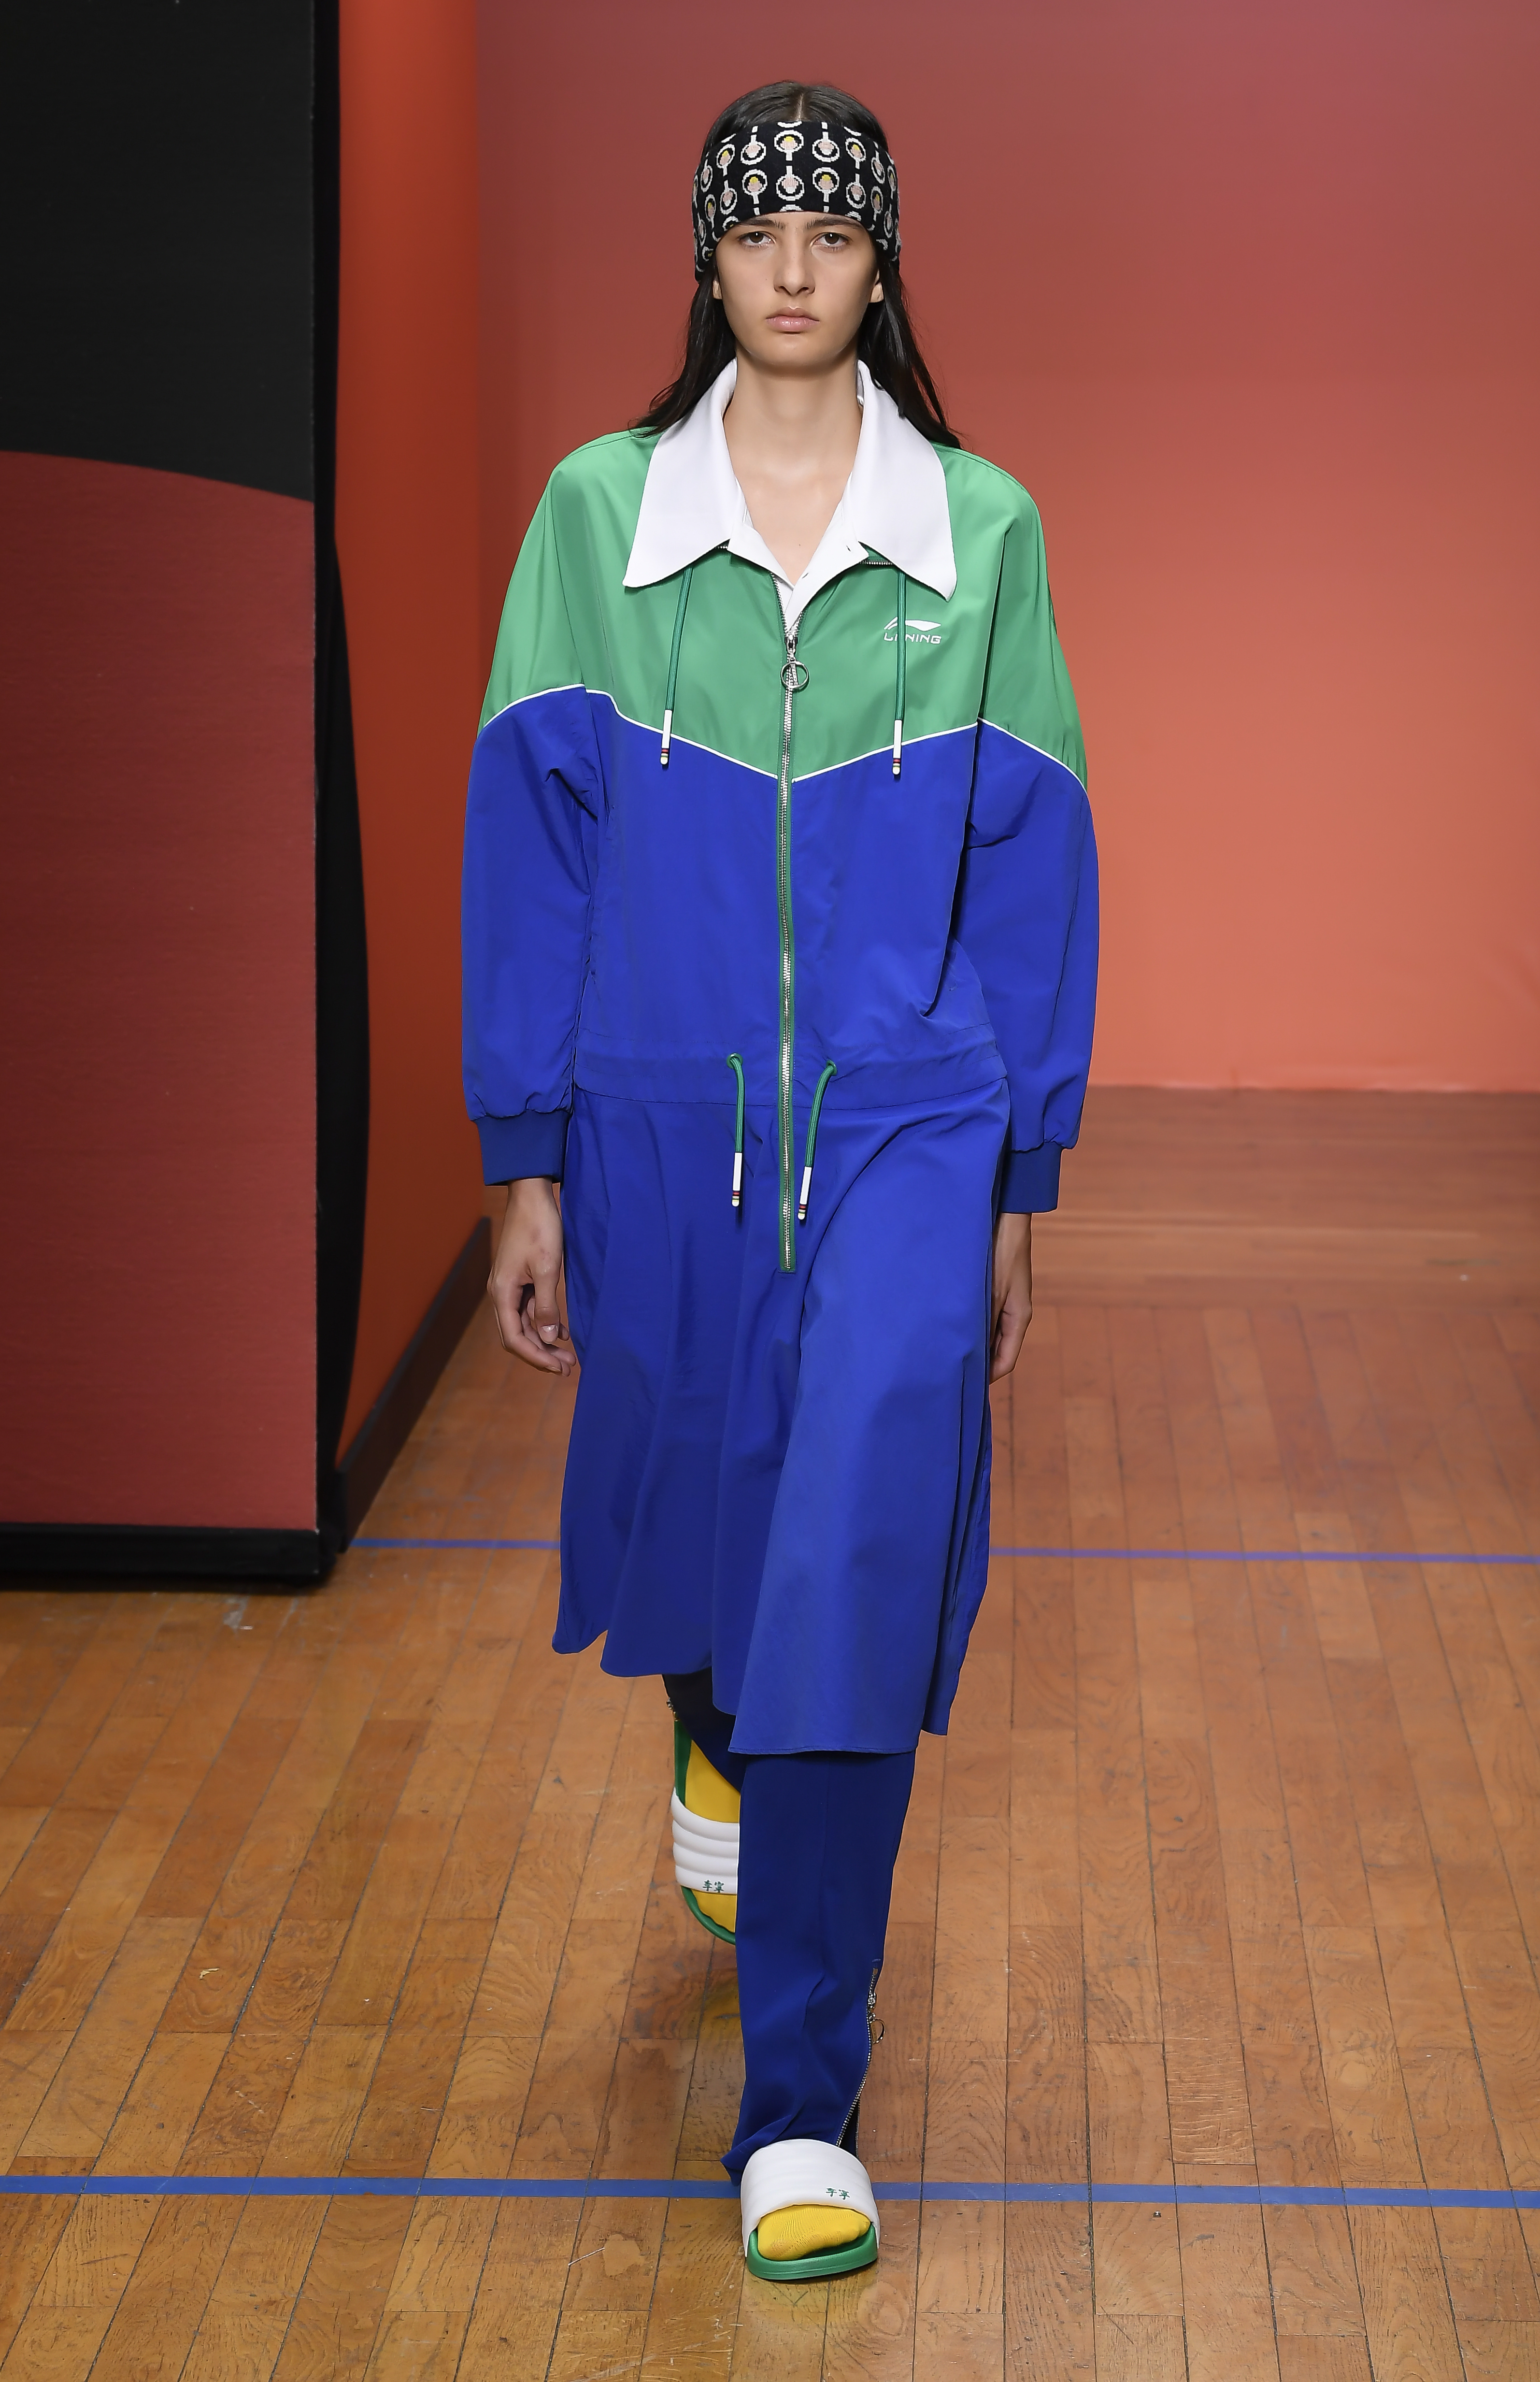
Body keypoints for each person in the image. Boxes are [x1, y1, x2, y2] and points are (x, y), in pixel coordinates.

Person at [461, 79, 1098, 2282]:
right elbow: (531, 850)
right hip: (660, 1121)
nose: (798, 268)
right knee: (717, 1541)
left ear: (883, 260)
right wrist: (527, 1157)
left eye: (834, 232)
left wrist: (1021, 1170)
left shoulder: (982, 532)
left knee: (850, 1556)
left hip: (915, 1122)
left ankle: (800, 2108)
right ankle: (716, 1744)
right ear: (710, 262)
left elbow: (1036, 865)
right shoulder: (598, 519)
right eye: (760, 233)